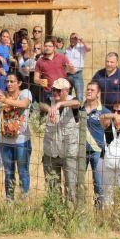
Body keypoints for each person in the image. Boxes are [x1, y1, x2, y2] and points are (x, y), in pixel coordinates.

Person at [39, 77, 81, 205]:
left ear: (66, 91)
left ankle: (71, 218)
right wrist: (49, 109)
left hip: (69, 154)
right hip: (51, 153)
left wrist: (60, 104)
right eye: (53, 90)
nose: (55, 93)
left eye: (58, 91)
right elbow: (40, 104)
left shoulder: (72, 101)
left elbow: (78, 103)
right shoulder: (49, 101)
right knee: (53, 189)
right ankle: (55, 217)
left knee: (71, 189)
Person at [0, 72, 33, 200]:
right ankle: (9, 201)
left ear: (19, 83)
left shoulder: (25, 93)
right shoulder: (2, 95)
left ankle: (24, 200)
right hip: (5, 140)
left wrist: (5, 101)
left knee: (23, 172)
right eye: (7, 81)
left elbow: (24, 104)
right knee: (8, 173)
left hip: (22, 140)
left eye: (12, 81)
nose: (9, 84)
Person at [83, 81, 112, 207]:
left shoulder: (104, 111)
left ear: (98, 93)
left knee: (98, 185)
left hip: (97, 152)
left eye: (92, 90)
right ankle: (78, 210)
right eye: (88, 89)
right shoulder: (79, 108)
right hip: (81, 151)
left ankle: (99, 213)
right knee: (77, 182)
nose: (89, 91)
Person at [101, 101, 120, 205]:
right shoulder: (108, 124)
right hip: (109, 166)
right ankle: (108, 218)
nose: (116, 113)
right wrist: (114, 115)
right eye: (114, 110)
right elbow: (102, 117)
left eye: (119, 111)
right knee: (107, 196)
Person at [34, 39, 70, 104]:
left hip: (62, 91)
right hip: (48, 92)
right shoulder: (40, 61)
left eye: (50, 46)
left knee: (63, 113)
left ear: (54, 48)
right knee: (50, 113)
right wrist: (40, 81)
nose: (47, 48)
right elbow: (35, 79)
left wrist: (71, 68)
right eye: (46, 46)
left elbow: (72, 71)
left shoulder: (62, 57)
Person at [64, 33, 90, 102]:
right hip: (67, 75)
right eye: (71, 38)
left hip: (77, 75)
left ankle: (78, 111)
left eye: (75, 38)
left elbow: (89, 48)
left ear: (78, 39)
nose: (73, 40)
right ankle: (67, 111)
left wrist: (81, 39)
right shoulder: (67, 49)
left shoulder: (81, 47)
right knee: (66, 95)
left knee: (79, 96)